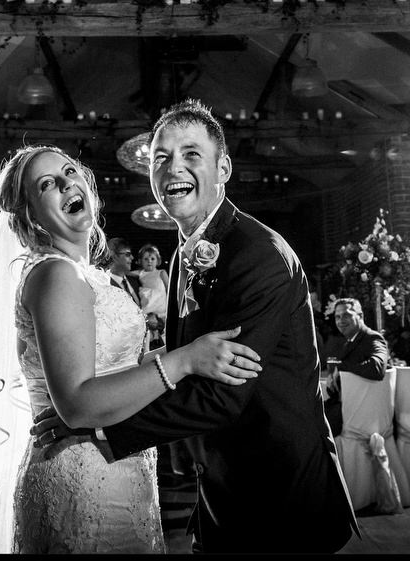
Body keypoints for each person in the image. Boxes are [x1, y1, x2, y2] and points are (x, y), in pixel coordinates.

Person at [32, 99, 358, 554]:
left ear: (223, 168)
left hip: (279, 496)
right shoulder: (188, 249)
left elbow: (223, 394)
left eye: (191, 154)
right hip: (225, 490)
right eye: (161, 157)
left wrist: (97, 428)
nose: (173, 168)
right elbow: (187, 359)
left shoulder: (257, 254)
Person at [0, 143, 263, 553]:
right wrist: (184, 360)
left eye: (69, 172)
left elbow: (114, 367)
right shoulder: (55, 275)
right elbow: (77, 403)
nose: (66, 183)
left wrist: (185, 352)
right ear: (29, 214)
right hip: (82, 478)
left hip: (116, 466)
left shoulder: (88, 276)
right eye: (47, 184)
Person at [323, 298, 389, 435]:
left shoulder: (372, 338)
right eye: (337, 317)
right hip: (349, 405)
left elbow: (377, 368)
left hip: (362, 413)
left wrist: (341, 367)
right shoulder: (350, 341)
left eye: (346, 315)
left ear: (360, 316)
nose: (341, 321)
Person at [136, 243, 168, 351]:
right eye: (145, 259)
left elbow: (169, 289)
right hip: (149, 310)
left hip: (162, 310)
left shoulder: (161, 273)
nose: (149, 261)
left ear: (157, 260)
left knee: (164, 335)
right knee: (149, 339)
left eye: (152, 258)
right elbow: (126, 272)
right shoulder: (141, 273)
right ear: (140, 261)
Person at [105, 237, 140, 306]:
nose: (132, 257)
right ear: (114, 256)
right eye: (127, 254)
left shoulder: (135, 281)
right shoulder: (105, 284)